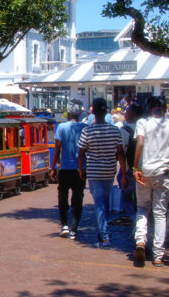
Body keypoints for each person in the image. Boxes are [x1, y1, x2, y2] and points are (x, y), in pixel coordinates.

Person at [133, 96, 169, 267]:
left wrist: (136, 168)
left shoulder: (142, 123)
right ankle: (158, 256)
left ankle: (140, 241)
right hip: (163, 173)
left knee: (142, 208)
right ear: (164, 109)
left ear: (150, 109)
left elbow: (140, 144)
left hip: (144, 172)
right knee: (160, 214)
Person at [78, 98, 127, 249]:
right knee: (104, 202)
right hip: (109, 171)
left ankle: (104, 236)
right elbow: (120, 154)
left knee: (99, 203)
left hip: (94, 172)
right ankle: (103, 232)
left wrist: (81, 169)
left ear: (93, 112)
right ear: (106, 112)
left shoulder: (87, 131)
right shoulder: (114, 131)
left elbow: (81, 153)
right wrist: (124, 174)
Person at [50, 99, 86, 240]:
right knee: (78, 197)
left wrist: (52, 168)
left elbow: (57, 148)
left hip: (65, 167)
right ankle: (74, 228)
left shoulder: (62, 127)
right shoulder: (85, 127)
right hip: (81, 169)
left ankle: (64, 224)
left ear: (69, 112)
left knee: (62, 196)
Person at [118, 104, 144, 222]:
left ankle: (135, 221)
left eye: (127, 112)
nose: (124, 114)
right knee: (141, 200)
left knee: (126, 200)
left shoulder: (124, 131)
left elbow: (120, 154)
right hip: (144, 168)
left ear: (132, 114)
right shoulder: (146, 129)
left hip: (129, 169)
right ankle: (141, 220)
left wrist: (123, 173)